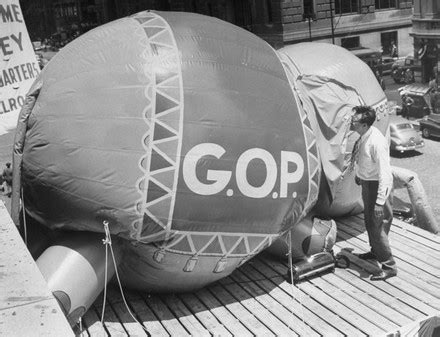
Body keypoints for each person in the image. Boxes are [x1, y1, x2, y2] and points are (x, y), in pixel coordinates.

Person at [350, 105, 396, 281]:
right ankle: (376, 251)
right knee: (370, 221)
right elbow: (365, 160)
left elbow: (385, 175)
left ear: (364, 125)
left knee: (376, 225)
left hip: (379, 186)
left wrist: (379, 202)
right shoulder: (364, 135)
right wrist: (360, 175)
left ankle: (389, 266)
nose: (351, 123)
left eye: (354, 121)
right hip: (368, 183)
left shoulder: (376, 141)